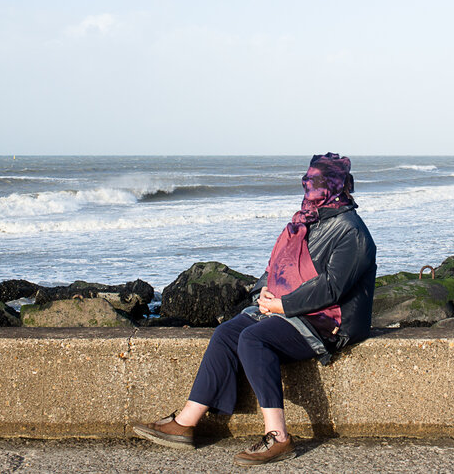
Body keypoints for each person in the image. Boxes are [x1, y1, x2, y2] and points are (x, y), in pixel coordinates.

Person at [133, 152, 377, 466]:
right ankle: (185, 423)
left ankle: (279, 437)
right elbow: (280, 266)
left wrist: (282, 305)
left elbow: (332, 288)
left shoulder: (351, 230)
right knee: (226, 333)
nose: (308, 186)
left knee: (254, 339)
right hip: (293, 309)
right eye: (307, 180)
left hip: (329, 321)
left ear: (334, 186)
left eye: (315, 181)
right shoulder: (309, 218)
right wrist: (263, 291)